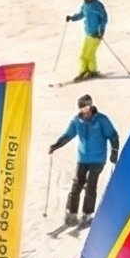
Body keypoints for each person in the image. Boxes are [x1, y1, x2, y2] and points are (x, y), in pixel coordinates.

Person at [49, 92, 119, 229]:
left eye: (87, 108)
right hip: (83, 158)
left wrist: (114, 151)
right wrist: (56, 145)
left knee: (90, 186)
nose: (85, 111)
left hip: (98, 159)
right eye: (82, 109)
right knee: (77, 184)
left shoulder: (101, 120)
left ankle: (87, 214)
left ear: (91, 106)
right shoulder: (77, 121)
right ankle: (71, 212)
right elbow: (68, 135)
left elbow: (113, 135)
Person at [68, 0, 107, 81]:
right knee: (83, 55)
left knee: (89, 55)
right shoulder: (85, 5)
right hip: (88, 34)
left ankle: (91, 71)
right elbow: (81, 14)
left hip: (96, 35)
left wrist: (101, 31)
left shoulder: (97, 5)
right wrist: (72, 18)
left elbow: (104, 18)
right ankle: (85, 71)